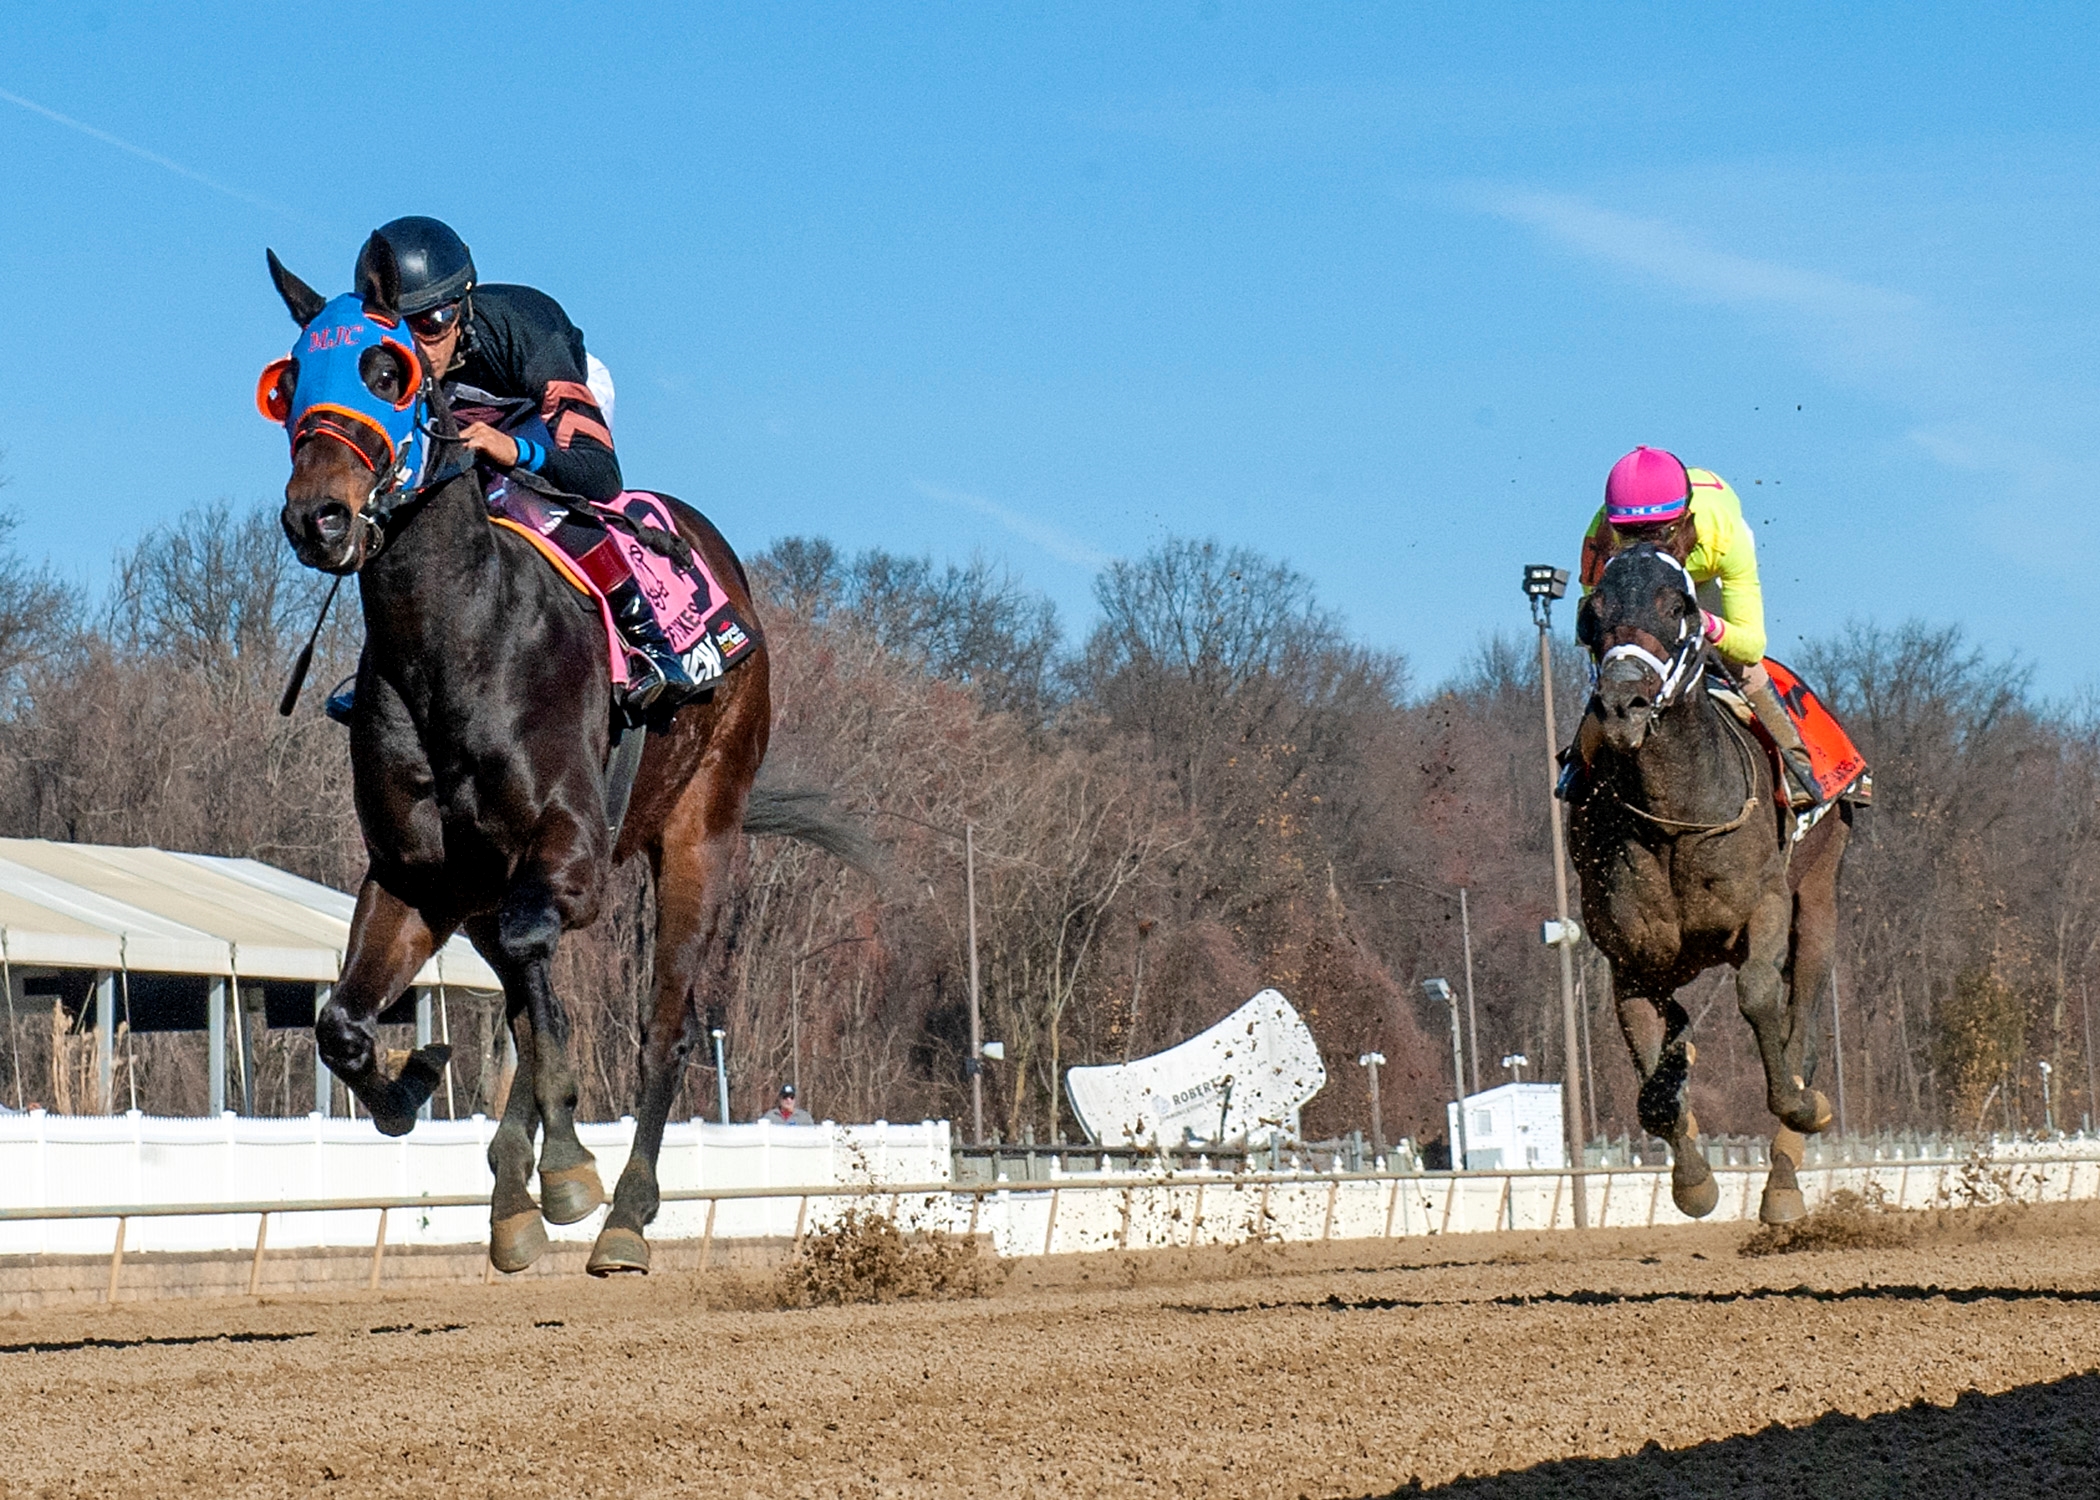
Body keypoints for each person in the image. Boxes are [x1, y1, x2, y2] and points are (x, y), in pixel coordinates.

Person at [354, 216, 699, 701]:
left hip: (541, 403)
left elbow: (600, 477)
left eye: (433, 324)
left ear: (463, 306)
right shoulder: (392, 361)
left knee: (520, 498)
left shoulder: (526, 333)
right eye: (399, 330)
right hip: (476, 418)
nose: (418, 346)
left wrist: (512, 450)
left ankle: (651, 644)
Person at [1570, 445, 1819, 809]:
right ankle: (1577, 762)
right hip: (1640, 590)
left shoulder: (1724, 535)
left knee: (1744, 668)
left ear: (1684, 520)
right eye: (1630, 533)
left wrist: (1705, 623)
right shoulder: (1600, 536)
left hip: (1704, 576)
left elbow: (1750, 644)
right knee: (1617, 667)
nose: (1644, 544)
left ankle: (1796, 767)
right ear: (1612, 523)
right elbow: (1593, 625)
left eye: (1658, 532)